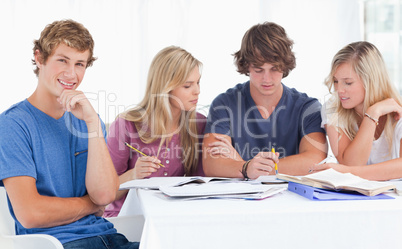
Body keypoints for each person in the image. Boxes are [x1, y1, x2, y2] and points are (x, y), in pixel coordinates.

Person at [0, 19, 139, 248]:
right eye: (62, 60)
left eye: (80, 64)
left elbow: (104, 196)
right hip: (59, 243)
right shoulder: (13, 125)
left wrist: (94, 123)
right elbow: (30, 213)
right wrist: (90, 206)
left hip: (112, 238)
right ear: (39, 58)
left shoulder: (88, 121)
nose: (71, 73)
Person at [202, 22, 327, 180]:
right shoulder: (224, 104)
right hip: (236, 201)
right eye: (258, 69)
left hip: (291, 199)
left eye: (274, 69)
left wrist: (247, 167)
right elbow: (212, 164)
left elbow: (315, 161)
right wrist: (248, 167)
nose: (266, 79)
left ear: (285, 65)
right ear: (246, 66)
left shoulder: (308, 107)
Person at [104, 46, 216, 217]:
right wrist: (134, 174)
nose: (197, 91)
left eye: (198, 82)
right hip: (127, 220)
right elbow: (104, 195)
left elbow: (198, 186)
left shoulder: (199, 124)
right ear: (165, 88)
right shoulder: (126, 125)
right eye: (187, 86)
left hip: (171, 216)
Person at [315, 41, 402, 181]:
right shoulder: (332, 108)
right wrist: (373, 114)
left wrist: (346, 172)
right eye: (336, 81)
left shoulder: (397, 109)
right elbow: (351, 164)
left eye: (348, 83)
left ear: (371, 81)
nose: (339, 90)